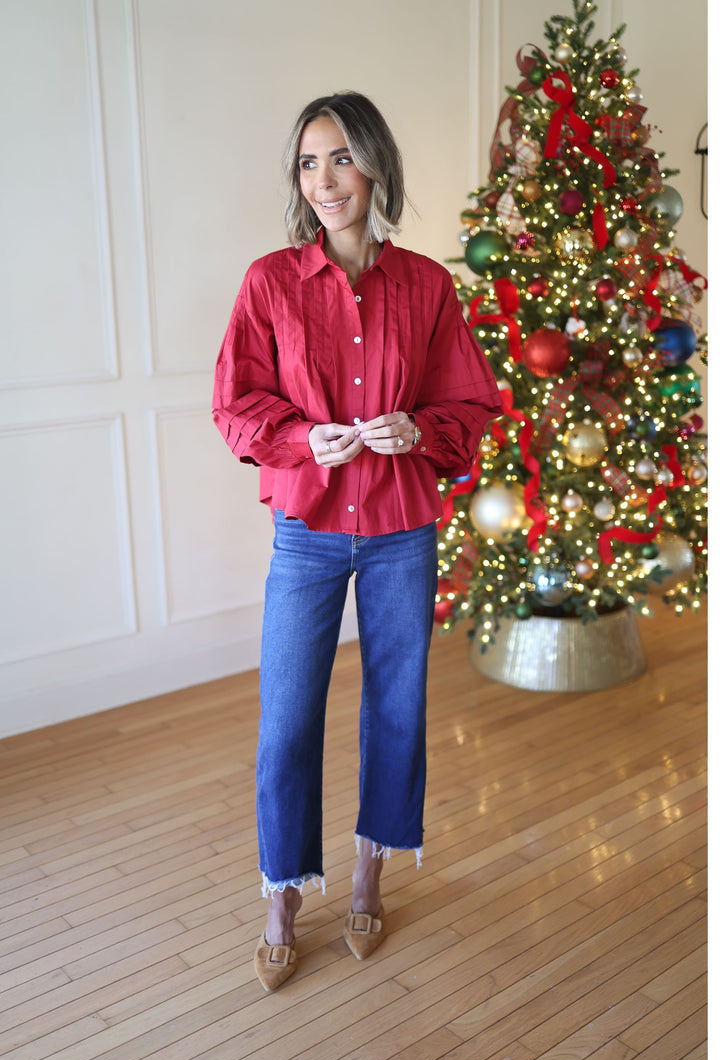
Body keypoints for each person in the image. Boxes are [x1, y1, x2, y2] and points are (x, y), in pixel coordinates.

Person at [212, 91, 503, 992]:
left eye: (340, 158)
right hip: (306, 531)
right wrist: (306, 439)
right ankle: (284, 892)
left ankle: (374, 865)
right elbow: (237, 403)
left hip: (400, 532)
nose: (325, 179)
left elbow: (469, 403)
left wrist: (416, 432)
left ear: (374, 163)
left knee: (396, 709)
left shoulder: (427, 285)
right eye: (309, 162)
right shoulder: (269, 281)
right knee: (287, 721)